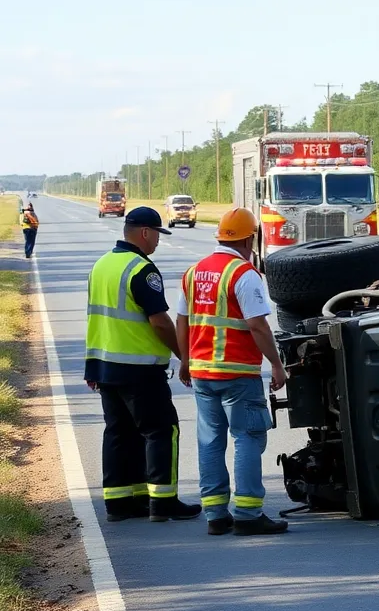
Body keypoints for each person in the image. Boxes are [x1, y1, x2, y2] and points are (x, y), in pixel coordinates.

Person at [177, 208, 290, 536]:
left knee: (210, 440)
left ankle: (215, 514)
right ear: (248, 239)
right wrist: (277, 365)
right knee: (248, 436)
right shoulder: (243, 274)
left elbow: (182, 320)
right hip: (238, 373)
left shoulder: (194, 272)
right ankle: (248, 513)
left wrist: (185, 360)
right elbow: (258, 326)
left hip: (202, 373)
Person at [84, 207, 201, 523]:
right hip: (139, 369)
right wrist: (184, 355)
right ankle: (163, 502)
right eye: (157, 235)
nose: (158, 242)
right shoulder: (141, 269)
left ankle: (120, 503)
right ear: (145, 233)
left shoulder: (101, 265)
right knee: (162, 430)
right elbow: (160, 322)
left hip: (106, 366)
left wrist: (91, 367)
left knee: (119, 433)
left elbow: (95, 320)